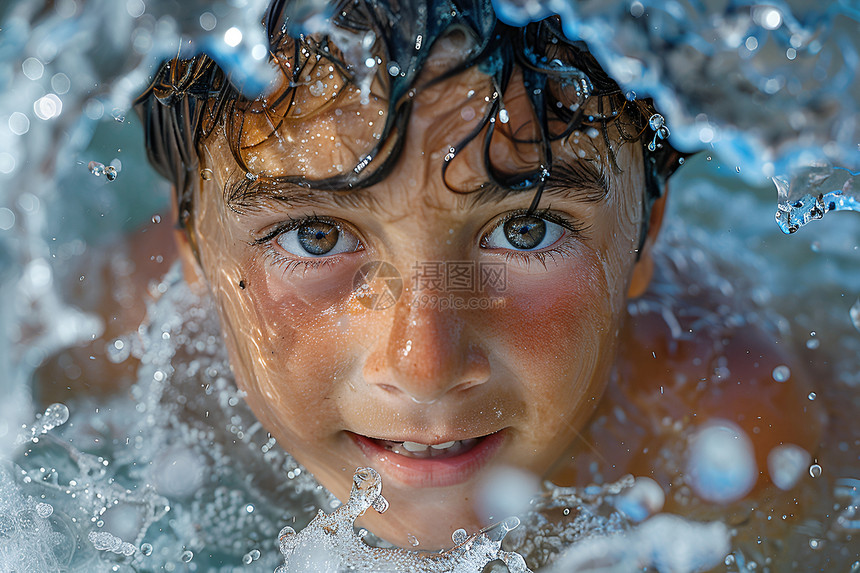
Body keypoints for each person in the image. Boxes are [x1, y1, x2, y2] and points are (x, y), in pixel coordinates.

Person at [133, 0, 822, 550]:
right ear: (194, 244)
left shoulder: (735, 451)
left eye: (525, 229)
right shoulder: (101, 341)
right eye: (317, 237)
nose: (425, 362)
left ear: (645, 235)